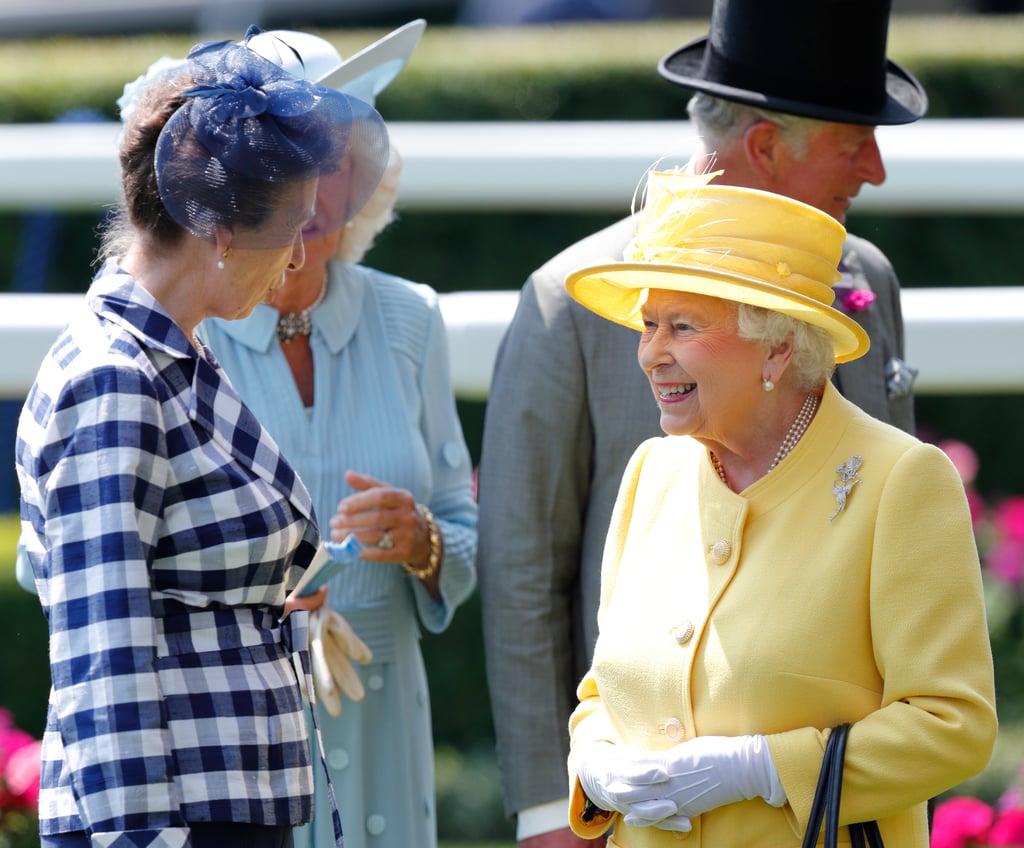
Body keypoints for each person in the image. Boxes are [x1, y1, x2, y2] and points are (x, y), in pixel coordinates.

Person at [476, 0, 925, 844]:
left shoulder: (866, 274)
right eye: (851, 139)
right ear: (763, 148)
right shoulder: (568, 302)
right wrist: (553, 804)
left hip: (833, 807)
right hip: (640, 808)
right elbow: (522, 566)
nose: (873, 168)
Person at [15, 31, 388, 848]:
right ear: (220, 230)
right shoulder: (112, 376)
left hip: (227, 807)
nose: (296, 254)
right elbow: (102, 660)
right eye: (289, 226)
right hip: (167, 823)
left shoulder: (173, 351)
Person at [562, 168, 997, 847]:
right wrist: (593, 764)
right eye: (648, 325)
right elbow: (602, 694)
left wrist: (764, 768)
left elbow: (953, 725)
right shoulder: (652, 472)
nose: (651, 354)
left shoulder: (900, 481)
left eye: (682, 326)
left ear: (778, 348)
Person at [198, 22, 479, 848]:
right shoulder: (186, 329)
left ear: (365, 178)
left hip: (381, 716)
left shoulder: (411, 318)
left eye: (332, 163)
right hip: (238, 728)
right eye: (283, 165)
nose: (311, 195)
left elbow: (464, 535)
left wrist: (421, 538)